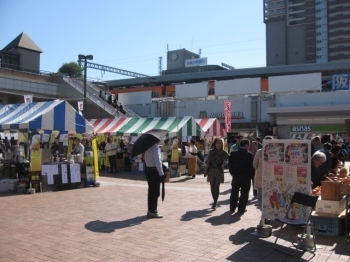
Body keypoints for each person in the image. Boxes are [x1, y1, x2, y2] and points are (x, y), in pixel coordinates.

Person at [229, 139, 254, 214]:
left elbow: (230, 165)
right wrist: (251, 176)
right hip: (246, 177)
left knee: (234, 192)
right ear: (246, 145)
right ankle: (241, 208)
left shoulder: (233, 154)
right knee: (244, 193)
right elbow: (251, 167)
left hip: (236, 176)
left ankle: (232, 207)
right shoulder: (249, 155)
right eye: (249, 145)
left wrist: (233, 173)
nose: (249, 147)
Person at [204, 138, 229, 210]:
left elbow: (229, 158)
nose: (218, 145)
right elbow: (208, 162)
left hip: (219, 170)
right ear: (214, 144)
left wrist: (226, 162)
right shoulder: (211, 152)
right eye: (217, 143)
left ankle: (215, 202)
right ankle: (214, 199)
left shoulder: (223, 152)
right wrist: (206, 171)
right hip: (211, 170)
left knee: (217, 186)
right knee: (212, 186)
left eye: (220, 143)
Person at [144, 139, 165, 218]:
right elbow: (158, 162)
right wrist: (161, 173)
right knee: (155, 192)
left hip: (148, 170)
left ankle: (150, 209)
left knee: (151, 191)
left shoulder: (148, 147)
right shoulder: (155, 147)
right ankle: (153, 210)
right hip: (154, 171)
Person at [253, 136, 273, 211]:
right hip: (272, 178)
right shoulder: (277, 152)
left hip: (261, 177)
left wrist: (258, 169)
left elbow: (254, 164)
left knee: (261, 196)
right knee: (271, 196)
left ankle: (263, 212)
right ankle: (269, 211)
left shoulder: (259, 151)